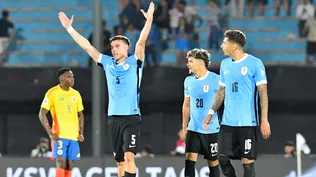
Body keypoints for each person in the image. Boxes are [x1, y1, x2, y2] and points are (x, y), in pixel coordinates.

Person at [58, 2, 154, 177]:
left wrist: (149, 21)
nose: (114, 49)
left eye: (117, 46)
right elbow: (88, 47)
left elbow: (141, 42)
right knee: (119, 161)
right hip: (113, 118)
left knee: (129, 157)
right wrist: (70, 29)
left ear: (127, 47)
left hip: (131, 117)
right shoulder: (108, 63)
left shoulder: (136, 62)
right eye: (112, 47)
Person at [203, 30, 271, 177]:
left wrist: (264, 119)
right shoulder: (225, 64)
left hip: (247, 122)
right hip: (227, 122)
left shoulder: (255, 63)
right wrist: (210, 112)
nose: (222, 46)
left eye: (224, 43)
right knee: (221, 158)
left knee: (247, 163)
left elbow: (263, 93)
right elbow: (221, 91)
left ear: (234, 46)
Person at [39, 68, 84, 177]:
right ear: (62, 79)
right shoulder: (52, 92)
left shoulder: (76, 94)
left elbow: (80, 115)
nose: (72, 79)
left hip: (73, 136)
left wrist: (80, 133)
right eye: (69, 77)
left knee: (69, 164)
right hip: (59, 135)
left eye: (72, 76)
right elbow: (42, 114)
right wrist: (50, 133)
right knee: (61, 162)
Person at [182, 48, 220, 177]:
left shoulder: (216, 79)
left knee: (213, 162)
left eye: (190, 61)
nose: (188, 64)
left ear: (200, 62)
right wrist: (184, 125)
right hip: (194, 128)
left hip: (211, 129)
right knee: (189, 161)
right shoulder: (188, 81)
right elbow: (186, 105)